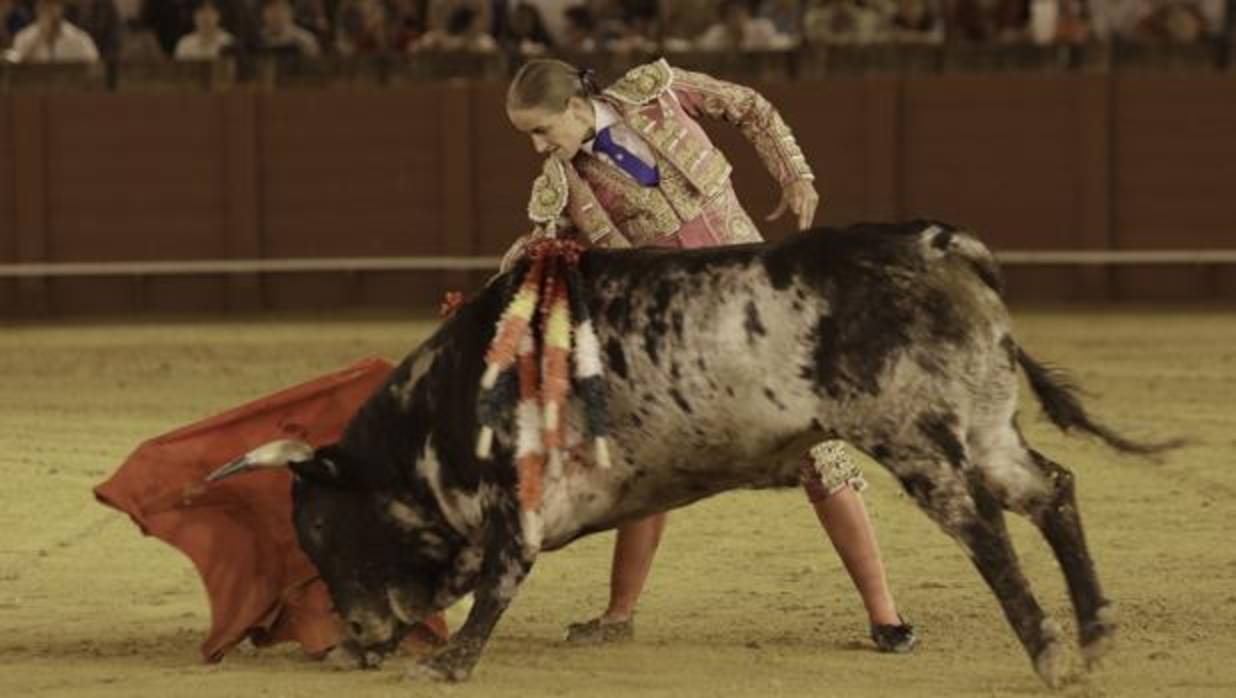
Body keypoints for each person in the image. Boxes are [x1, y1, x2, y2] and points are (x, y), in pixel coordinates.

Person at [501, 57, 918, 654]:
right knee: (646, 469)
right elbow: (538, 252)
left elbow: (749, 106)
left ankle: (886, 616)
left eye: (542, 130)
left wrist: (794, 174)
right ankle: (619, 616)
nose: (540, 147)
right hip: (683, 342)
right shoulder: (562, 185)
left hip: (760, 308)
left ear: (572, 107)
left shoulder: (659, 93)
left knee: (822, 455)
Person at [7, 0, 100, 62]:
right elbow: (15, 69)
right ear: (37, 8)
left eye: (53, 5)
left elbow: (95, 68)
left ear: (62, 9)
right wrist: (39, 36)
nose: (49, 10)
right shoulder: (24, 38)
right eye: (44, 5)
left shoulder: (80, 39)